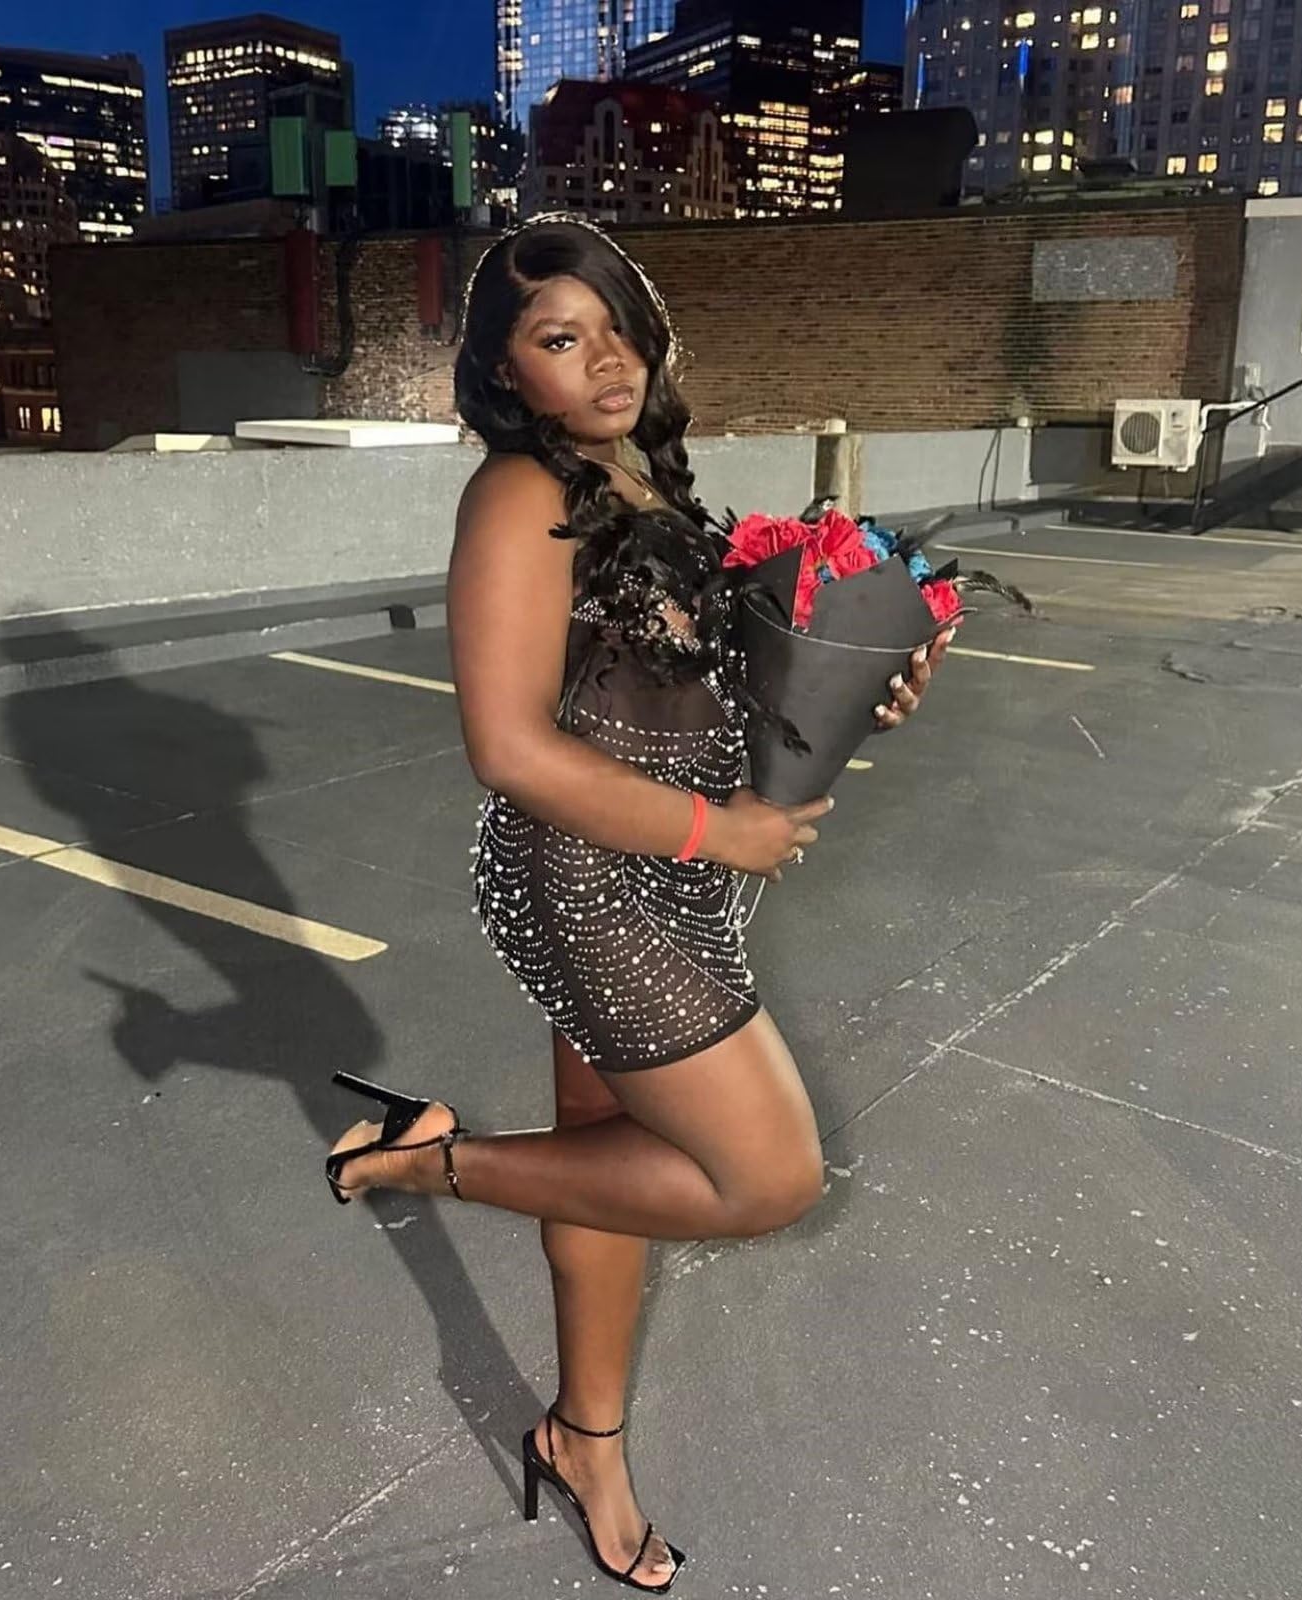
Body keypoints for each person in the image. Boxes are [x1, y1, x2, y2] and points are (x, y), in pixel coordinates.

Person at [324, 215, 954, 1592]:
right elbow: (506, 746)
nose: (606, 362)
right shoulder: (517, 494)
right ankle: (431, 1162)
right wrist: (718, 831)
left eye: (619, 328)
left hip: (670, 872)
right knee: (767, 1176)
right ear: (505, 371)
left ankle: (586, 1442)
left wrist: (861, 689)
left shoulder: (645, 480)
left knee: (605, 1161)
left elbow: (694, 691)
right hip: (595, 882)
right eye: (562, 340)